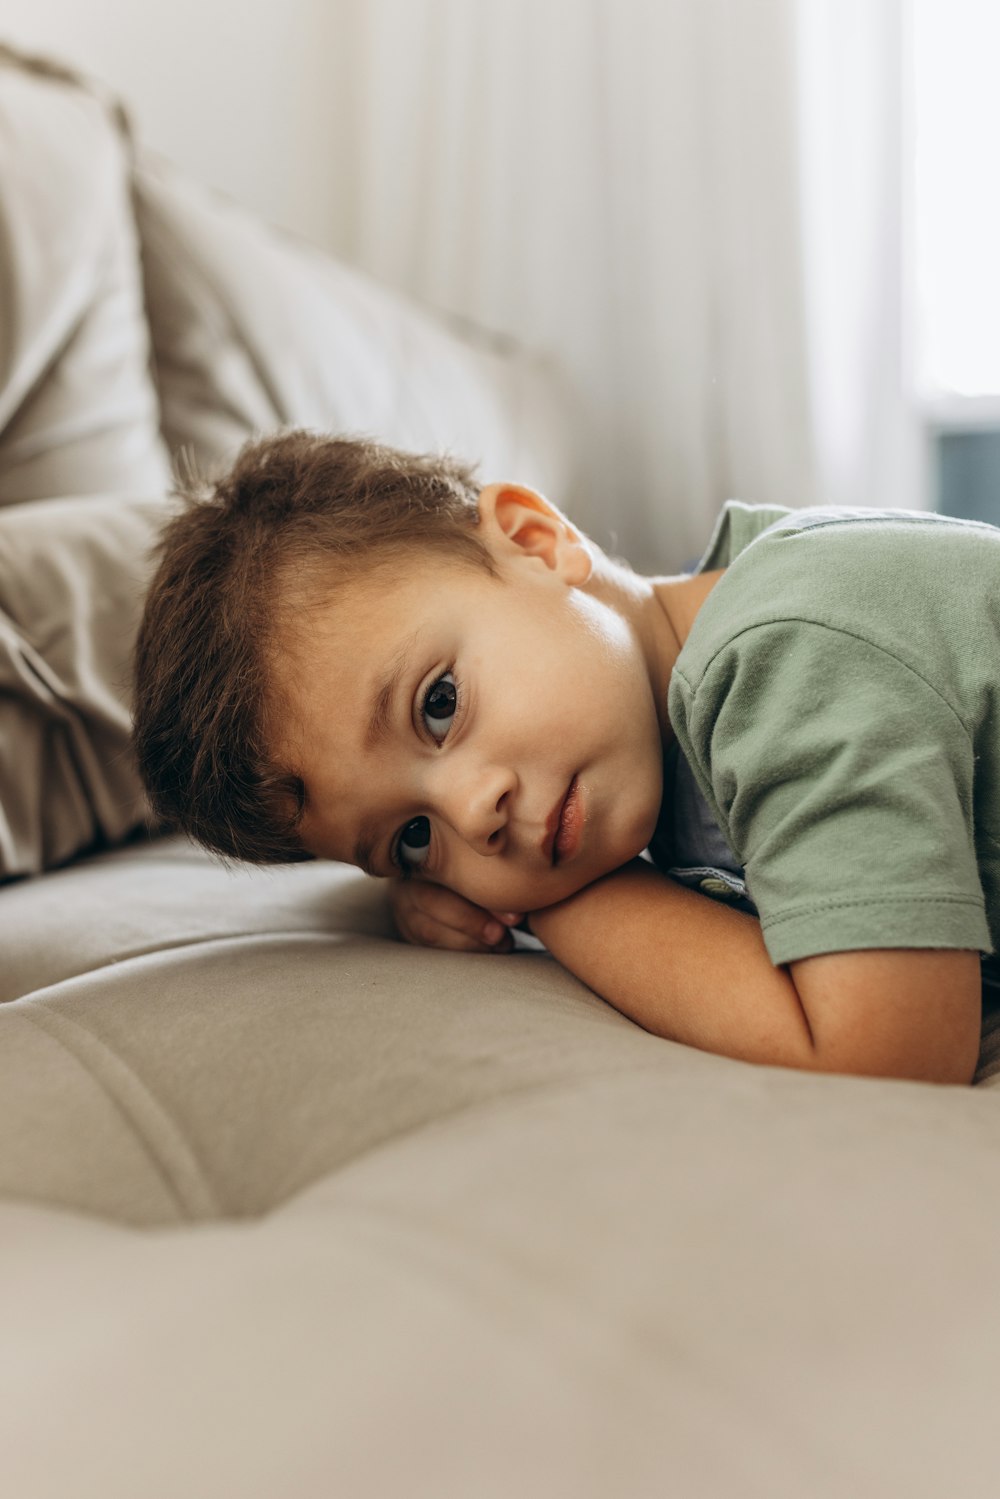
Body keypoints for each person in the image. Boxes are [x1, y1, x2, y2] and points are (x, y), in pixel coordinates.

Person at [133, 428, 998, 1085]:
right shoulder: (667, 686)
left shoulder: (785, 653)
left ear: (536, 541)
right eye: (411, 836)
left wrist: (565, 904)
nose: (474, 815)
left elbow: (887, 1049)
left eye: (439, 704)